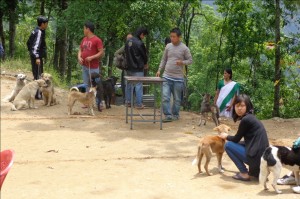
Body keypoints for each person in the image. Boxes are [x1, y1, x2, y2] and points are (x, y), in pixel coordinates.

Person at [218, 94, 269, 181]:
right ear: (234, 107)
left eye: (242, 105)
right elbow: (246, 141)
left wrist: (226, 136)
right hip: (263, 160)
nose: (239, 108)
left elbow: (236, 139)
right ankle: (257, 171)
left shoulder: (246, 120)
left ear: (248, 106)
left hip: (256, 159)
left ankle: (244, 173)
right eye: (237, 106)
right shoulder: (252, 118)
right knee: (235, 143)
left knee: (228, 145)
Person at [156, 28, 192, 122]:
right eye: (171, 36)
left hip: (178, 78)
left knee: (177, 99)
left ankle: (175, 114)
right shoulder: (168, 46)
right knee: (165, 97)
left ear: (179, 37)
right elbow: (164, 59)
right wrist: (159, 70)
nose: (172, 38)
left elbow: (190, 60)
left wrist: (182, 62)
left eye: (174, 36)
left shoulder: (184, 48)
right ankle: (168, 115)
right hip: (166, 76)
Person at [125, 27, 148, 109]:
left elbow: (126, 54)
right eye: (144, 36)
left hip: (129, 67)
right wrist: (145, 63)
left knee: (129, 85)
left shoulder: (128, 41)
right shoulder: (139, 43)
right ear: (141, 34)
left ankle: (128, 102)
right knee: (138, 85)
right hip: (138, 67)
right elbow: (144, 55)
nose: (143, 37)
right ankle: (138, 104)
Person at [78, 21, 104, 93]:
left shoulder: (97, 40)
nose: (83, 30)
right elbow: (80, 49)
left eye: (84, 28)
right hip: (85, 66)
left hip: (93, 67)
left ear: (88, 29)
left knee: (95, 84)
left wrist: (92, 57)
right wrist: (79, 57)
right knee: (86, 84)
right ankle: (87, 101)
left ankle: (98, 101)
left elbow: (101, 52)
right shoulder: (84, 39)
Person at [27, 16, 48, 99]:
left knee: (36, 74)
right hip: (36, 57)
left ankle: (36, 94)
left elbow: (28, 43)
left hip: (34, 56)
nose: (47, 25)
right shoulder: (39, 32)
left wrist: (32, 54)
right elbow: (36, 46)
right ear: (42, 24)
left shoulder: (35, 30)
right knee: (39, 76)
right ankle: (37, 95)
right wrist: (37, 57)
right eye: (46, 24)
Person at [114, 33, 133, 103]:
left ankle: (130, 100)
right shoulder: (125, 46)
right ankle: (126, 100)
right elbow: (116, 53)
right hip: (126, 68)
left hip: (133, 68)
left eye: (131, 38)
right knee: (125, 84)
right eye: (128, 39)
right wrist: (122, 58)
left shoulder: (135, 46)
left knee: (131, 84)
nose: (130, 40)